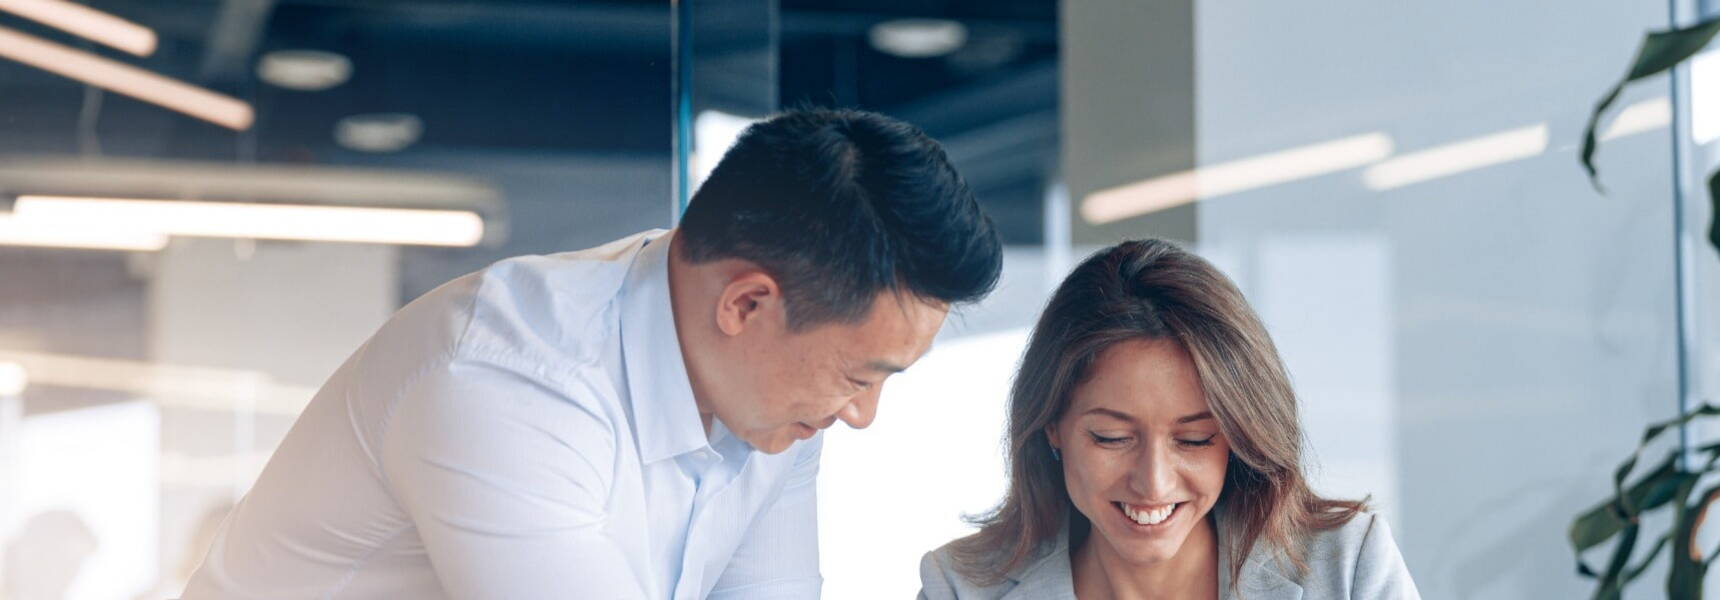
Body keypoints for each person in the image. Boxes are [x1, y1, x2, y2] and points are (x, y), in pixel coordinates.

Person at [183, 108, 1003, 599]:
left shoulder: (774, 405)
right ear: (746, 303)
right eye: (859, 376)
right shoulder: (504, 380)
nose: (860, 415)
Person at [919, 240, 1419, 600]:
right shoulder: (961, 587)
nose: (1153, 483)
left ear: (1240, 437)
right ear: (1052, 423)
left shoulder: (1347, 568)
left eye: (1195, 439)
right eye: (1111, 438)